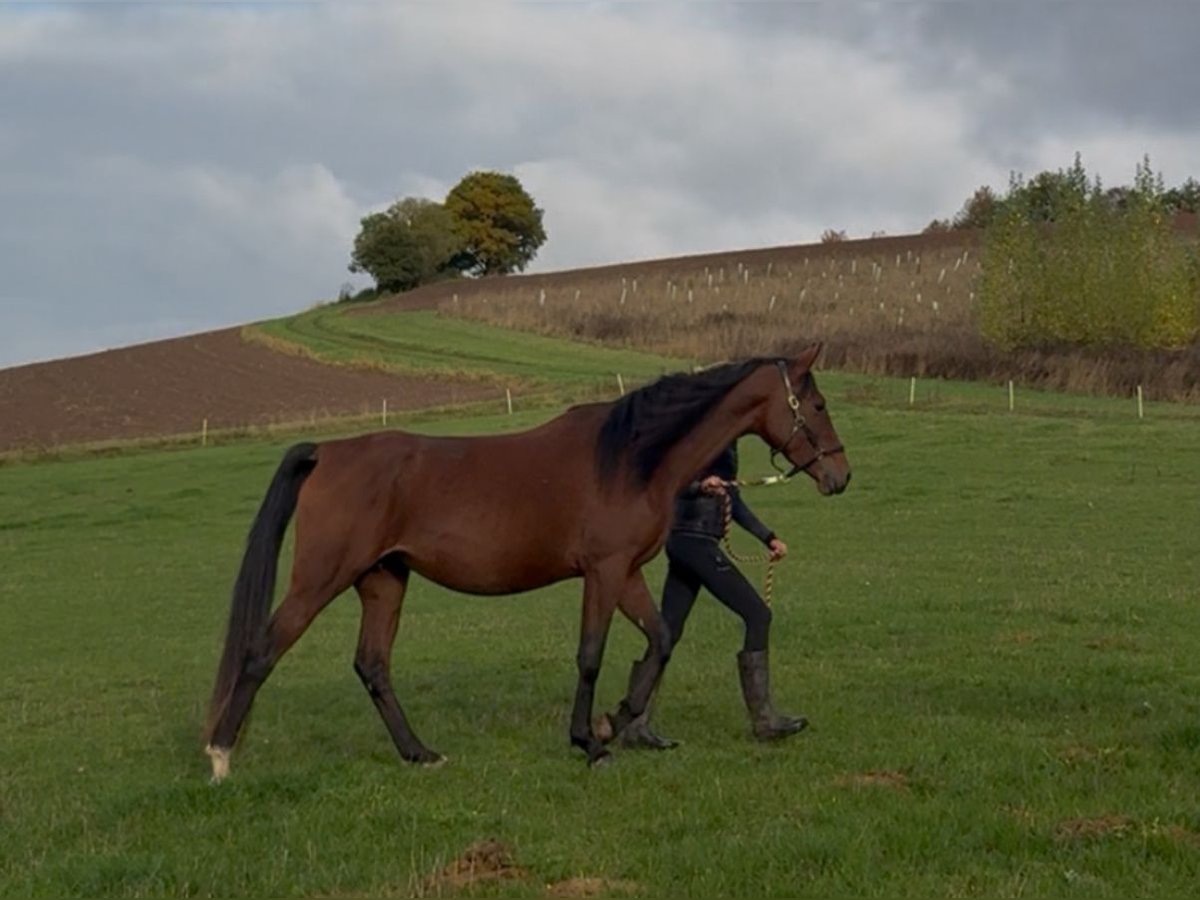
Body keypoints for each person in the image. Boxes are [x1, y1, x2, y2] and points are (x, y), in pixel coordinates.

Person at [622, 440, 808, 748]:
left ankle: (633, 725)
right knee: (758, 615)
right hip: (693, 543)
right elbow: (668, 481)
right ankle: (765, 721)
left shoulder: (726, 444)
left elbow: (733, 501)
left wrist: (768, 538)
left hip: (690, 543)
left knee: (667, 633)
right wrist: (699, 486)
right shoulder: (696, 435)